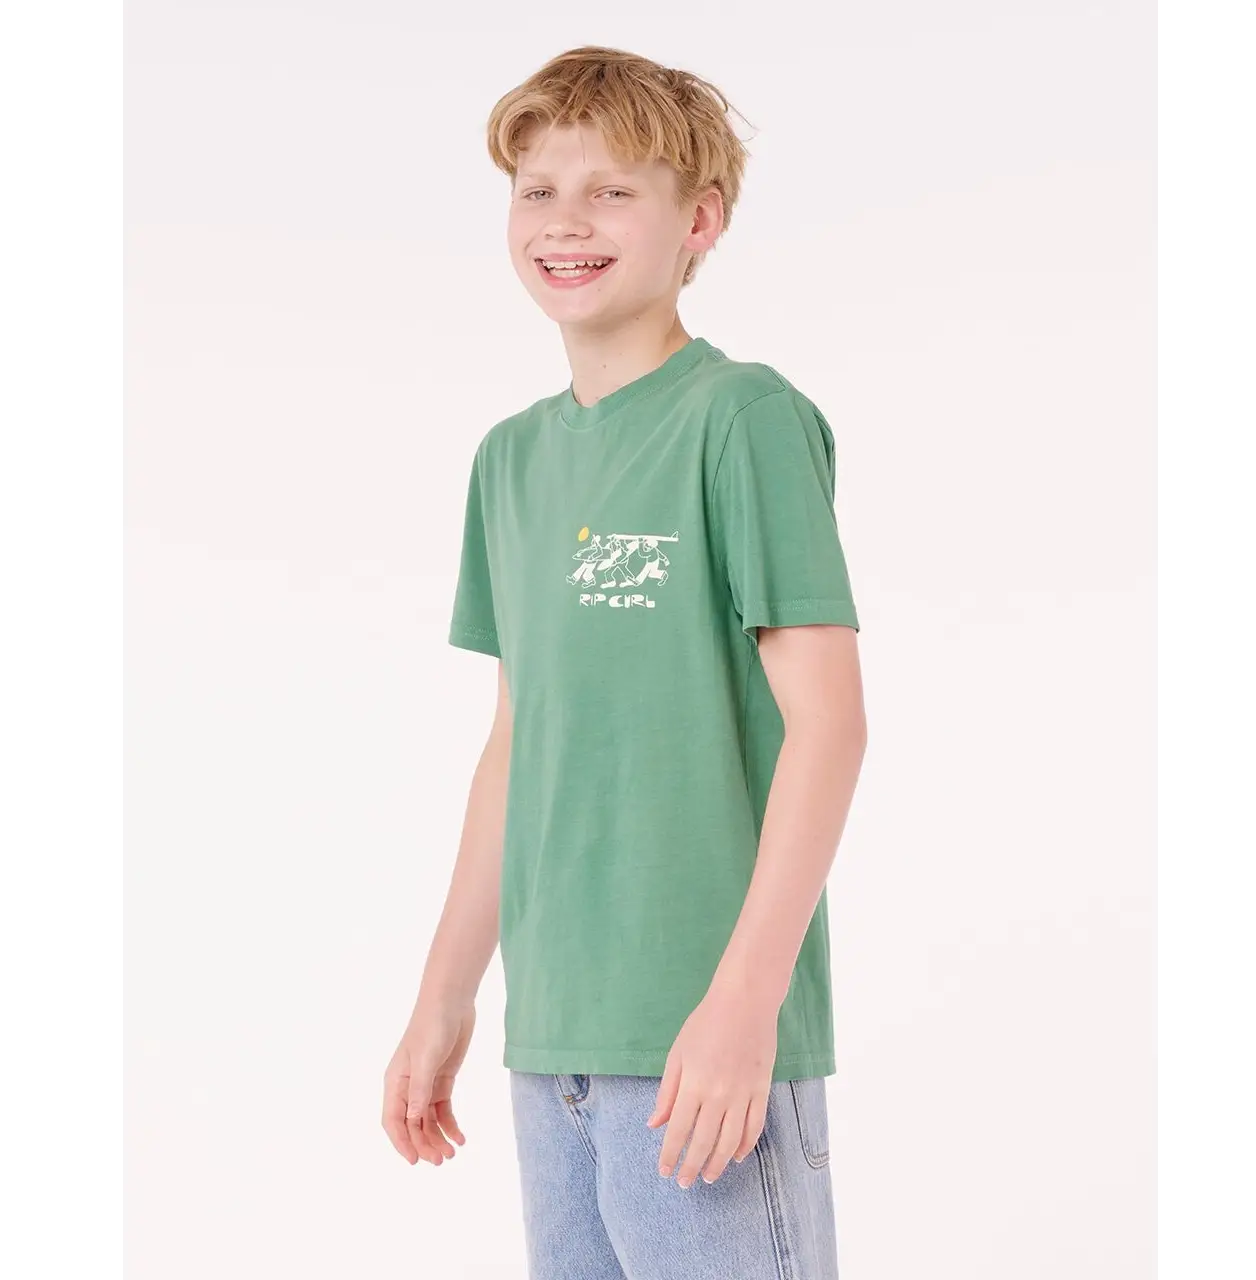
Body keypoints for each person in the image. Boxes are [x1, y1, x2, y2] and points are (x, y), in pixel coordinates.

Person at [382, 45, 867, 1279]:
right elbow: (515, 745)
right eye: (536, 190)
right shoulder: (510, 460)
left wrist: (744, 1003)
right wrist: (445, 997)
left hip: (703, 1043)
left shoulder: (739, 418)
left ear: (697, 220)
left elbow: (827, 726)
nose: (565, 222)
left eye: (610, 191)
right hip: (553, 1045)